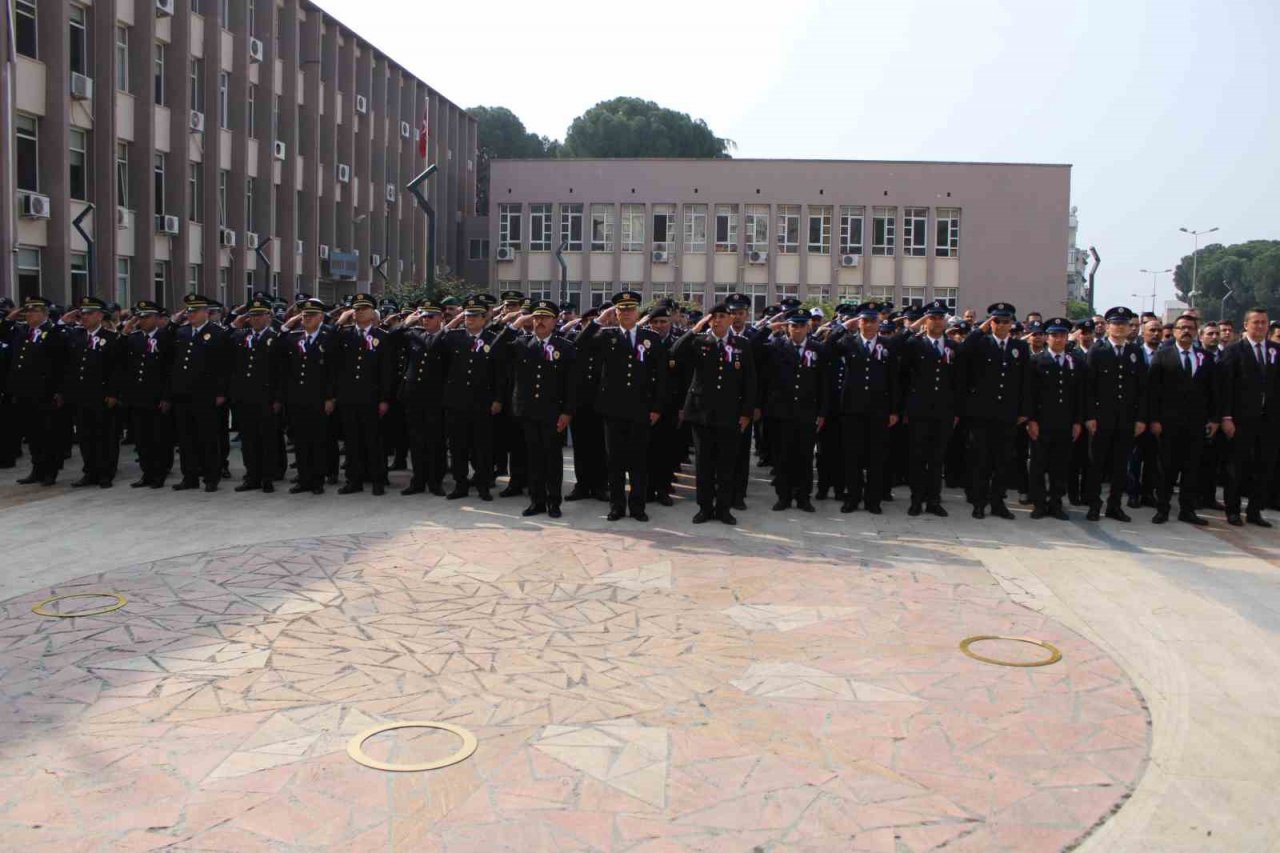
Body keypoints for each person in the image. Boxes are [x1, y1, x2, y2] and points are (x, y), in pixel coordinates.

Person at [574, 291, 667, 522]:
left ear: (637, 312)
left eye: (630, 309)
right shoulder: (606, 335)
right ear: (615, 313)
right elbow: (579, 345)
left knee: (638, 461)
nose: (626, 313)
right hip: (612, 409)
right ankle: (617, 506)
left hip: (640, 408)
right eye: (621, 309)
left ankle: (637, 506)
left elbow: (662, 375)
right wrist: (598, 320)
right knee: (614, 461)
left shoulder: (650, 337)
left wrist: (657, 407)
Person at [671, 302, 756, 524]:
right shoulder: (699, 342)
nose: (717, 320)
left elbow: (750, 381)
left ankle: (723, 509)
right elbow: (675, 353)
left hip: (730, 413)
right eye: (714, 316)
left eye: (722, 316)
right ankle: (705, 508)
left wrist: (746, 412)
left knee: (726, 464)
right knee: (704, 464)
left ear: (731, 320)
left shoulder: (742, 344)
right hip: (702, 413)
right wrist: (695, 329)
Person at [493, 299, 577, 518]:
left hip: (553, 413)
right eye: (537, 317)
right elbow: (494, 352)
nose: (540, 321)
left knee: (553, 459)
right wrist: (514, 325)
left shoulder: (564, 346)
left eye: (546, 318)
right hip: (528, 411)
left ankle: (553, 502)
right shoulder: (521, 343)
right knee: (534, 458)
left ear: (555, 321)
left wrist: (567, 412)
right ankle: (537, 501)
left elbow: (571, 384)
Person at [960, 303, 1031, 520]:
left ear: (1012, 324)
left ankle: (998, 502)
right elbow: (963, 352)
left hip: (1007, 413)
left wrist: (1024, 411)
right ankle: (979, 502)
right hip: (982, 414)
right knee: (981, 460)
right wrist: (980, 329)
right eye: (996, 321)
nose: (1001, 325)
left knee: (1003, 461)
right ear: (990, 322)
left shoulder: (1020, 347)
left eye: (1005, 321)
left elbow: (1025, 382)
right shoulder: (981, 343)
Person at [828, 302, 899, 514]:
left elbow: (894, 379)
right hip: (852, 409)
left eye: (873, 321)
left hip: (879, 410)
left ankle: (873, 500)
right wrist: (843, 325)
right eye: (865, 320)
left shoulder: (887, 344)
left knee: (876, 458)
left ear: (879, 323)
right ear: (858, 322)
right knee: (852, 457)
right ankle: (853, 498)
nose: (868, 325)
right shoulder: (849, 342)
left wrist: (894, 410)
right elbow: (829, 346)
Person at [1147, 314, 1216, 525]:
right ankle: (1163, 509)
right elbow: (1152, 391)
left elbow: (1213, 391)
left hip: (1196, 423)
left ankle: (1187, 510)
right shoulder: (1162, 355)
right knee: (1166, 468)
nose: (1186, 331)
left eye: (1190, 328)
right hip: (1168, 423)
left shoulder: (1206, 357)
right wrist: (1154, 419)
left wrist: (1213, 419)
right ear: (1175, 331)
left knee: (1191, 468)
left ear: (1196, 331)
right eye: (1182, 327)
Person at [1083, 306, 1147, 522]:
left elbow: (1141, 389)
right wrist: (1090, 416)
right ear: (1108, 326)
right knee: (1096, 465)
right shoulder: (1098, 350)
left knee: (1121, 465)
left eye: (1124, 324)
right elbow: (1088, 388)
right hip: (1102, 418)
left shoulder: (1135, 352)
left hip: (1126, 419)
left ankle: (1114, 505)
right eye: (1116, 323)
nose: (1120, 328)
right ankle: (1094, 504)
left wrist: (1140, 418)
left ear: (1130, 327)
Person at [1216, 307, 1279, 527]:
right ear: (1246, 325)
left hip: (1269, 420)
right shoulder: (1234, 351)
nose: (1260, 326)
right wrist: (1226, 416)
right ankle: (1233, 510)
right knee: (1237, 465)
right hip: (1241, 418)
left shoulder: (1275, 350)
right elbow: (1225, 388)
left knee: (1264, 465)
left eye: (1264, 322)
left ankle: (1255, 510)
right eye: (1256, 322)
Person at [757, 310, 825, 512]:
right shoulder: (776, 347)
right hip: (781, 413)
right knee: (782, 457)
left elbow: (823, 383)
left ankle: (803, 497)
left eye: (802, 325)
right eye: (793, 325)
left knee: (804, 458)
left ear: (808, 327)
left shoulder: (817, 349)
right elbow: (753, 349)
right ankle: (783, 496)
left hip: (806, 413)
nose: (797, 329)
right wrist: (767, 329)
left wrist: (822, 412)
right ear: (787, 327)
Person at [438, 296, 505, 501]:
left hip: (482, 402)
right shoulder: (453, 337)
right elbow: (434, 345)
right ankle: (460, 485)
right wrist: (453, 321)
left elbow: (500, 374)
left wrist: (498, 399)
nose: (470, 319)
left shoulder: (493, 338)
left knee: (482, 447)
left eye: (475, 316)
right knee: (458, 446)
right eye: (467, 315)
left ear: (485, 318)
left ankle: (483, 485)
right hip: (456, 401)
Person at [898, 299, 960, 516]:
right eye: (932, 316)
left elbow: (958, 382)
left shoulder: (953, 346)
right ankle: (916, 500)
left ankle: (934, 500)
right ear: (926, 319)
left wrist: (955, 410)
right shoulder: (914, 344)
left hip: (943, 411)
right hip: (918, 410)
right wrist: (914, 327)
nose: (936, 321)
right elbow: (903, 375)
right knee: (917, 457)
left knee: (937, 458)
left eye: (940, 317)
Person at [166, 293, 230, 492]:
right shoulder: (181, 332)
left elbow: (224, 366)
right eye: (188, 311)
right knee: (186, 438)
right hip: (183, 393)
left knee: (208, 438)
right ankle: (190, 476)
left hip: (206, 393)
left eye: (195, 311)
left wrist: (221, 392)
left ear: (206, 312)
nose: (190, 314)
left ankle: (211, 477)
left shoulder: (218, 333)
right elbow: (173, 363)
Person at [334, 293, 396, 495]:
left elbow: (387, 371)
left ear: (372, 313)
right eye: (356, 309)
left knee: (374, 441)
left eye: (364, 309)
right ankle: (354, 480)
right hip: (349, 397)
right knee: (352, 442)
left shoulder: (382, 337)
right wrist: (340, 321)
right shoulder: (345, 335)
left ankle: (378, 480)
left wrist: (385, 399)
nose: (359, 312)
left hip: (372, 398)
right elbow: (328, 344)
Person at [60, 297, 122, 488]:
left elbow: (117, 370)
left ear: (100, 315)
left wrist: (113, 393)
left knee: (105, 436)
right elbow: (69, 366)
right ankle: (90, 471)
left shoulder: (111, 338)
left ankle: (106, 473)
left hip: (101, 396)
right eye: (83, 313)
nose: (84, 317)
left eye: (89, 313)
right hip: (81, 395)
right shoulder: (76, 336)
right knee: (85, 437)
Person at [1025, 318, 1082, 519]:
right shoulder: (1036, 361)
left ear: (1067, 338)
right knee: (1039, 465)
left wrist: (1077, 421)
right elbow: (1029, 394)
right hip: (1041, 422)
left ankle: (1056, 503)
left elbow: (1079, 395)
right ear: (1047, 338)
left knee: (1060, 465)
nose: (1058, 339)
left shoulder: (1074, 361)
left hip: (1065, 422)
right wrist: (1031, 420)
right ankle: (1039, 503)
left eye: (1062, 335)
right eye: (1054, 335)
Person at [279, 298, 337, 495]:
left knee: (318, 441)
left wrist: (330, 397)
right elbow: (278, 342)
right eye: (304, 315)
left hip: (319, 398)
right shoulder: (295, 338)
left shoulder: (328, 338)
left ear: (321, 317)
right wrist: (290, 321)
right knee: (301, 442)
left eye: (311, 315)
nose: (307, 319)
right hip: (297, 398)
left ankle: (318, 480)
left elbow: (332, 371)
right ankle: (304, 479)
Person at [8, 296, 68, 485]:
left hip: (46, 392)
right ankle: (37, 468)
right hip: (26, 391)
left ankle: (50, 470)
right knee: (33, 433)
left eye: (34, 311)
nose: (29, 315)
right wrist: (11, 317)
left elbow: (61, 365)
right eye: (27, 311)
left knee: (49, 433)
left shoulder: (54, 333)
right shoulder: (23, 331)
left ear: (44, 313)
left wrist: (59, 391)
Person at [227, 298, 282, 493]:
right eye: (252, 315)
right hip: (244, 397)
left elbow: (280, 372)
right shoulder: (240, 337)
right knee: (248, 440)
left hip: (266, 397)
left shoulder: (276, 338)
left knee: (267, 439)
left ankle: (268, 477)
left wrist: (277, 398)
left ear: (269, 316)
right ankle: (252, 476)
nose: (256, 319)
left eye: (260, 315)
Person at [118, 301, 174, 488]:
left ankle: (160, 473)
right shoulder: (134, 338)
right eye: (140, 317)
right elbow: (123, 363)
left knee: (159, 438)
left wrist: (167, 396)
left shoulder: (166, 337)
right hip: (138, 396)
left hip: (157, 396)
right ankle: (147, 473)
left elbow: (169, 370)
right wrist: (125, 330)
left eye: (146, 317)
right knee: (142, 440)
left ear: (157, 318)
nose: (142, 320)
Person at [396, 299, 449, 496]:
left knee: (436, 441)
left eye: (430, 316)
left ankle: (436, 481)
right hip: (414, 395)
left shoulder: (447, 337)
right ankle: (418, 480)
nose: (425, 320)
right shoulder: (413, 334)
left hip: (436, 396)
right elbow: (391, 339)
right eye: (423, 316)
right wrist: (407, 322)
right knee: (416, 440)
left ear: (440, 318)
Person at [564, 306, 608, 502]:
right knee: (581, 447)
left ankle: (600, 485)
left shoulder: (608, 340)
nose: (592, 325)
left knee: (600, 447)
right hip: (580, 402)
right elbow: (578, 343)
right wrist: (594, 325)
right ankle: (582, 485)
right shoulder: (575, 340)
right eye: (588, 321)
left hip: (602, 402)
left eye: (596, 321)